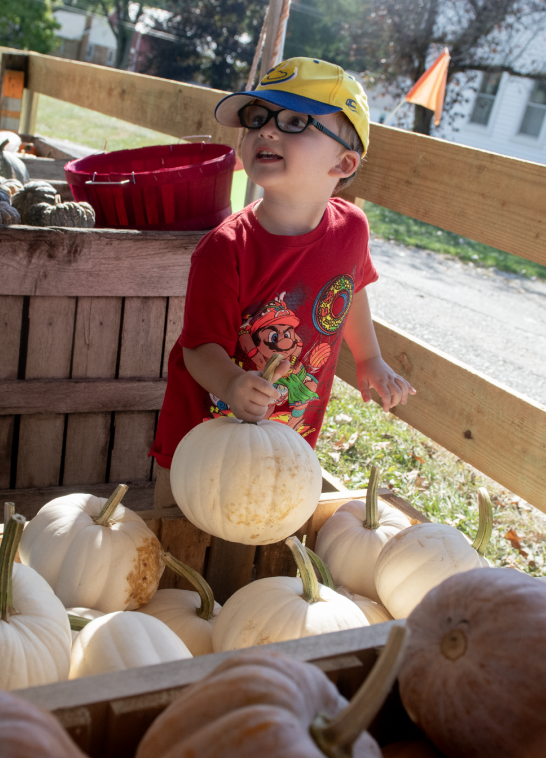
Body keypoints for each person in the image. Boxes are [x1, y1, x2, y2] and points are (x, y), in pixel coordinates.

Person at [150, 57, 415, 508]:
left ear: (344, 162)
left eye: (294, 121)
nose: (266, 131)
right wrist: (233, 384)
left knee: (261, 523)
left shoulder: (352, 228)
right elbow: (199, 349)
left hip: (288, 435)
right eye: (257, 119)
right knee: (179, 529)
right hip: (199, 437)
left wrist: (369, 357)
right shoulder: (225, 249)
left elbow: (348, 294)